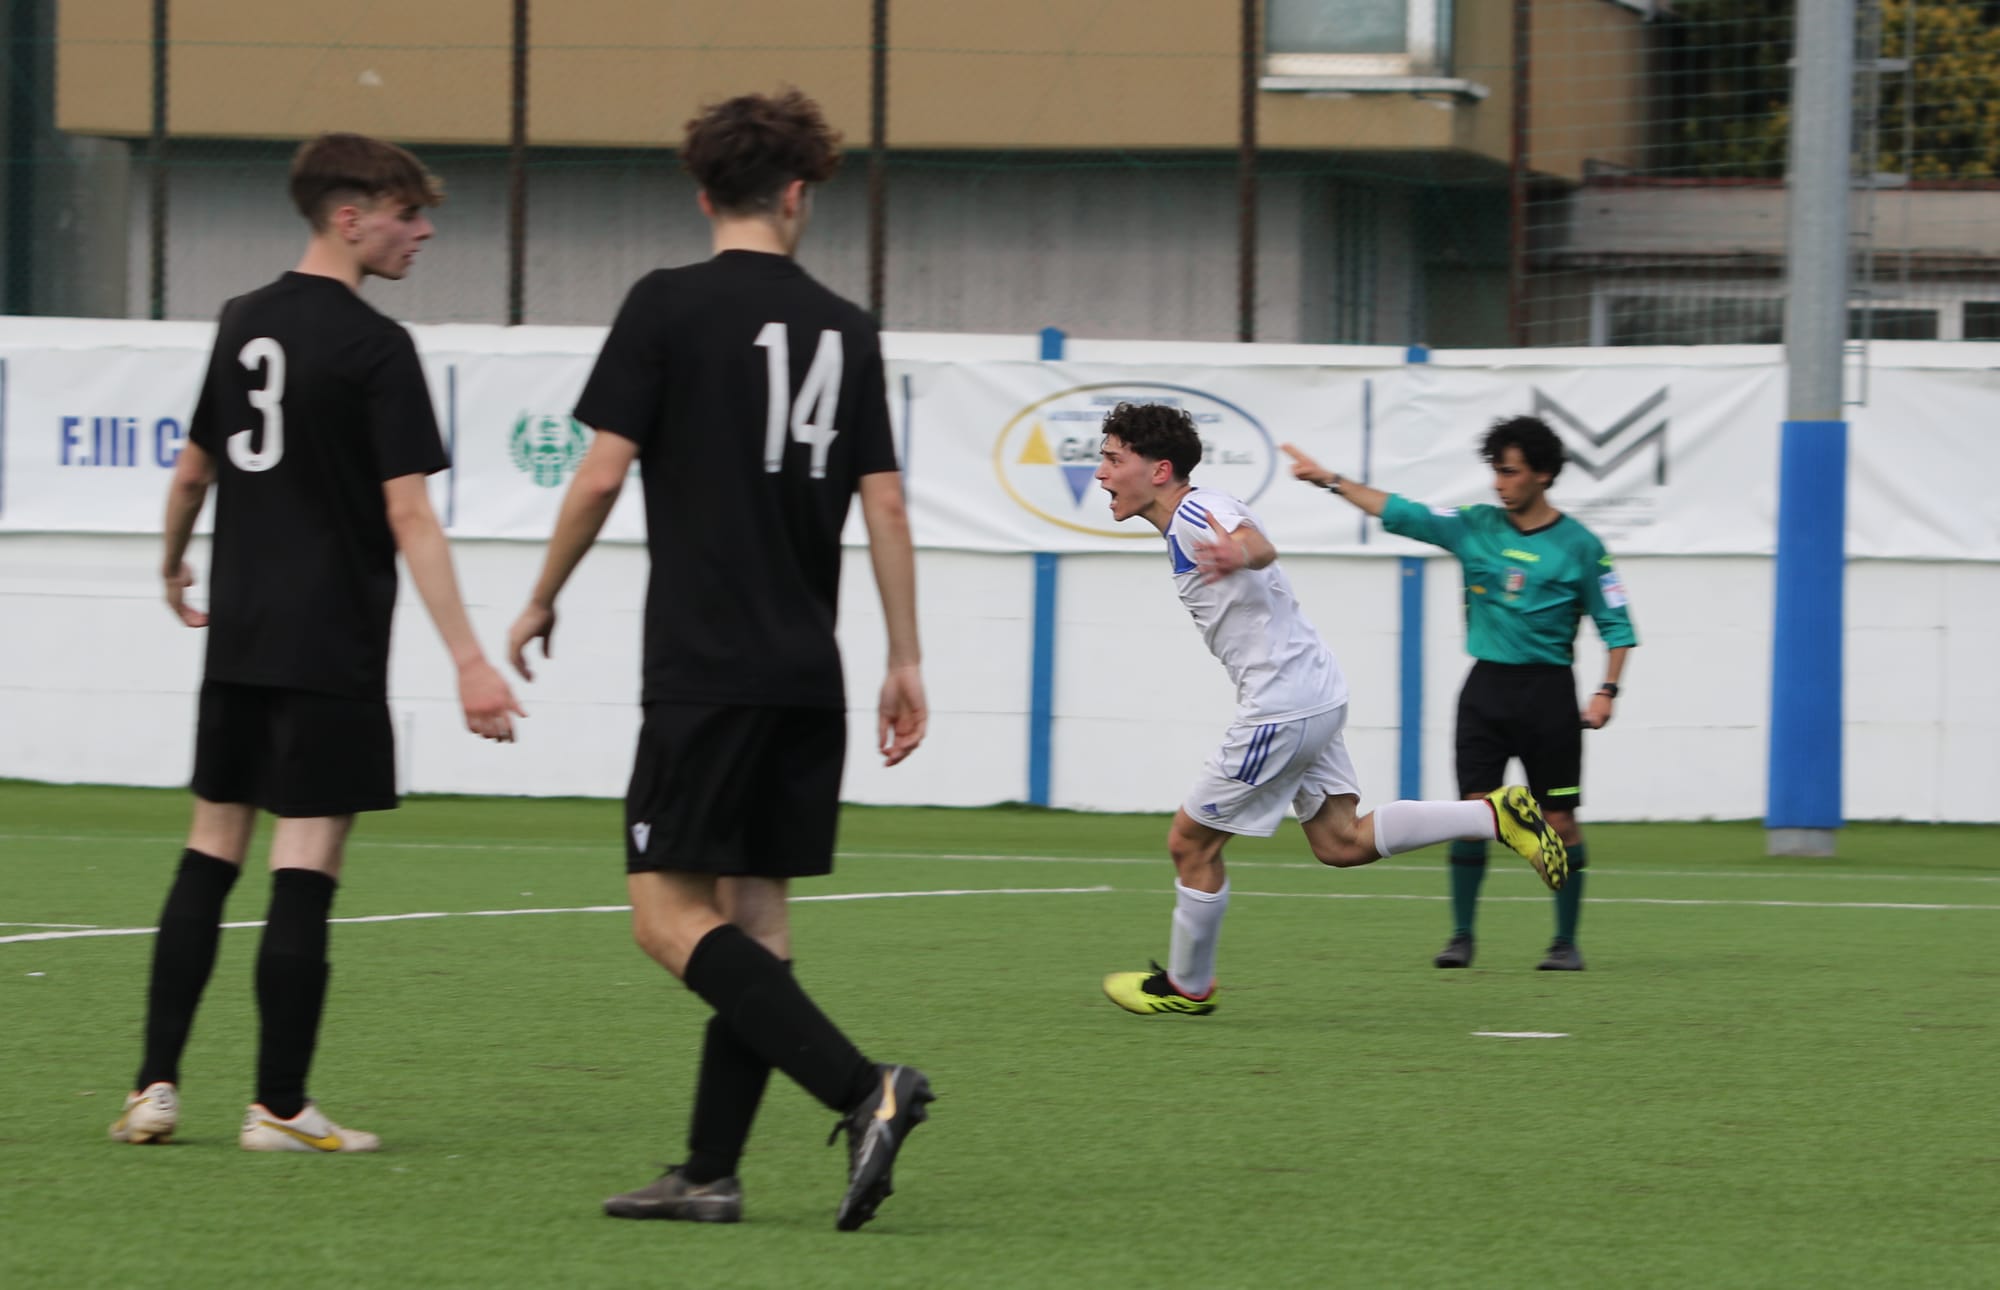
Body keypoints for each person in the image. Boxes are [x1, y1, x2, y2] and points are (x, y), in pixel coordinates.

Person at [505, 89, 932, 1232]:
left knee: (663, 916)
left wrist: (541, 595)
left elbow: (598, 475)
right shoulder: (847, 326)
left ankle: (862, 1088)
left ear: (704, 194)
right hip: (807, 670)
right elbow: (884, 506)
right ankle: (708, 1172)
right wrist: (904, 657)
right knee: (757, 927)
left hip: (704, 667)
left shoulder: (664, 304)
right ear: (800, 194)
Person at [110, 133, 524, 1154]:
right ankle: (280, 1108)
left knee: (210, 850)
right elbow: (411, 519)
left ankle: (153, 1089)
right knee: (306, 860)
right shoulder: (377, 349)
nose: (421, 232)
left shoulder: (241, 321)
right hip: (330, 645)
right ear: (350, 218)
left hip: (240, 638)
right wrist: (471, 657)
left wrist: (173, 566)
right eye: (405, 213)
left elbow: (191, 476)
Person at [1092, 403, 1567, 1017]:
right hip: (1315, 694)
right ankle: (1493, 816)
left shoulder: (1192, 510)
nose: (1100, 473)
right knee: (1340, 844)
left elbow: (1255, 544)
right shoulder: (1190, 514)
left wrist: (1242, 555)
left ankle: (1186, 987)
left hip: (1283, 707)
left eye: (1111, 458)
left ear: (1159, 470)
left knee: (1190, 843)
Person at [1283, 415, 1638, 971]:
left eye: (1511, 472)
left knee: (1560, 821)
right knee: (1474, 812)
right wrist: (1330, 480)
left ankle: (1565, 941)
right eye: (1496, 471)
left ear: (1542, 476)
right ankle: (1461, 936)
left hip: (1548, 694)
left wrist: (1606, 692)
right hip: (1486, 691)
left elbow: (1617, 625)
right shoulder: (1475, 525)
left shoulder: (1582, 547)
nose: (1499, 482)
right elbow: (1403, 513)